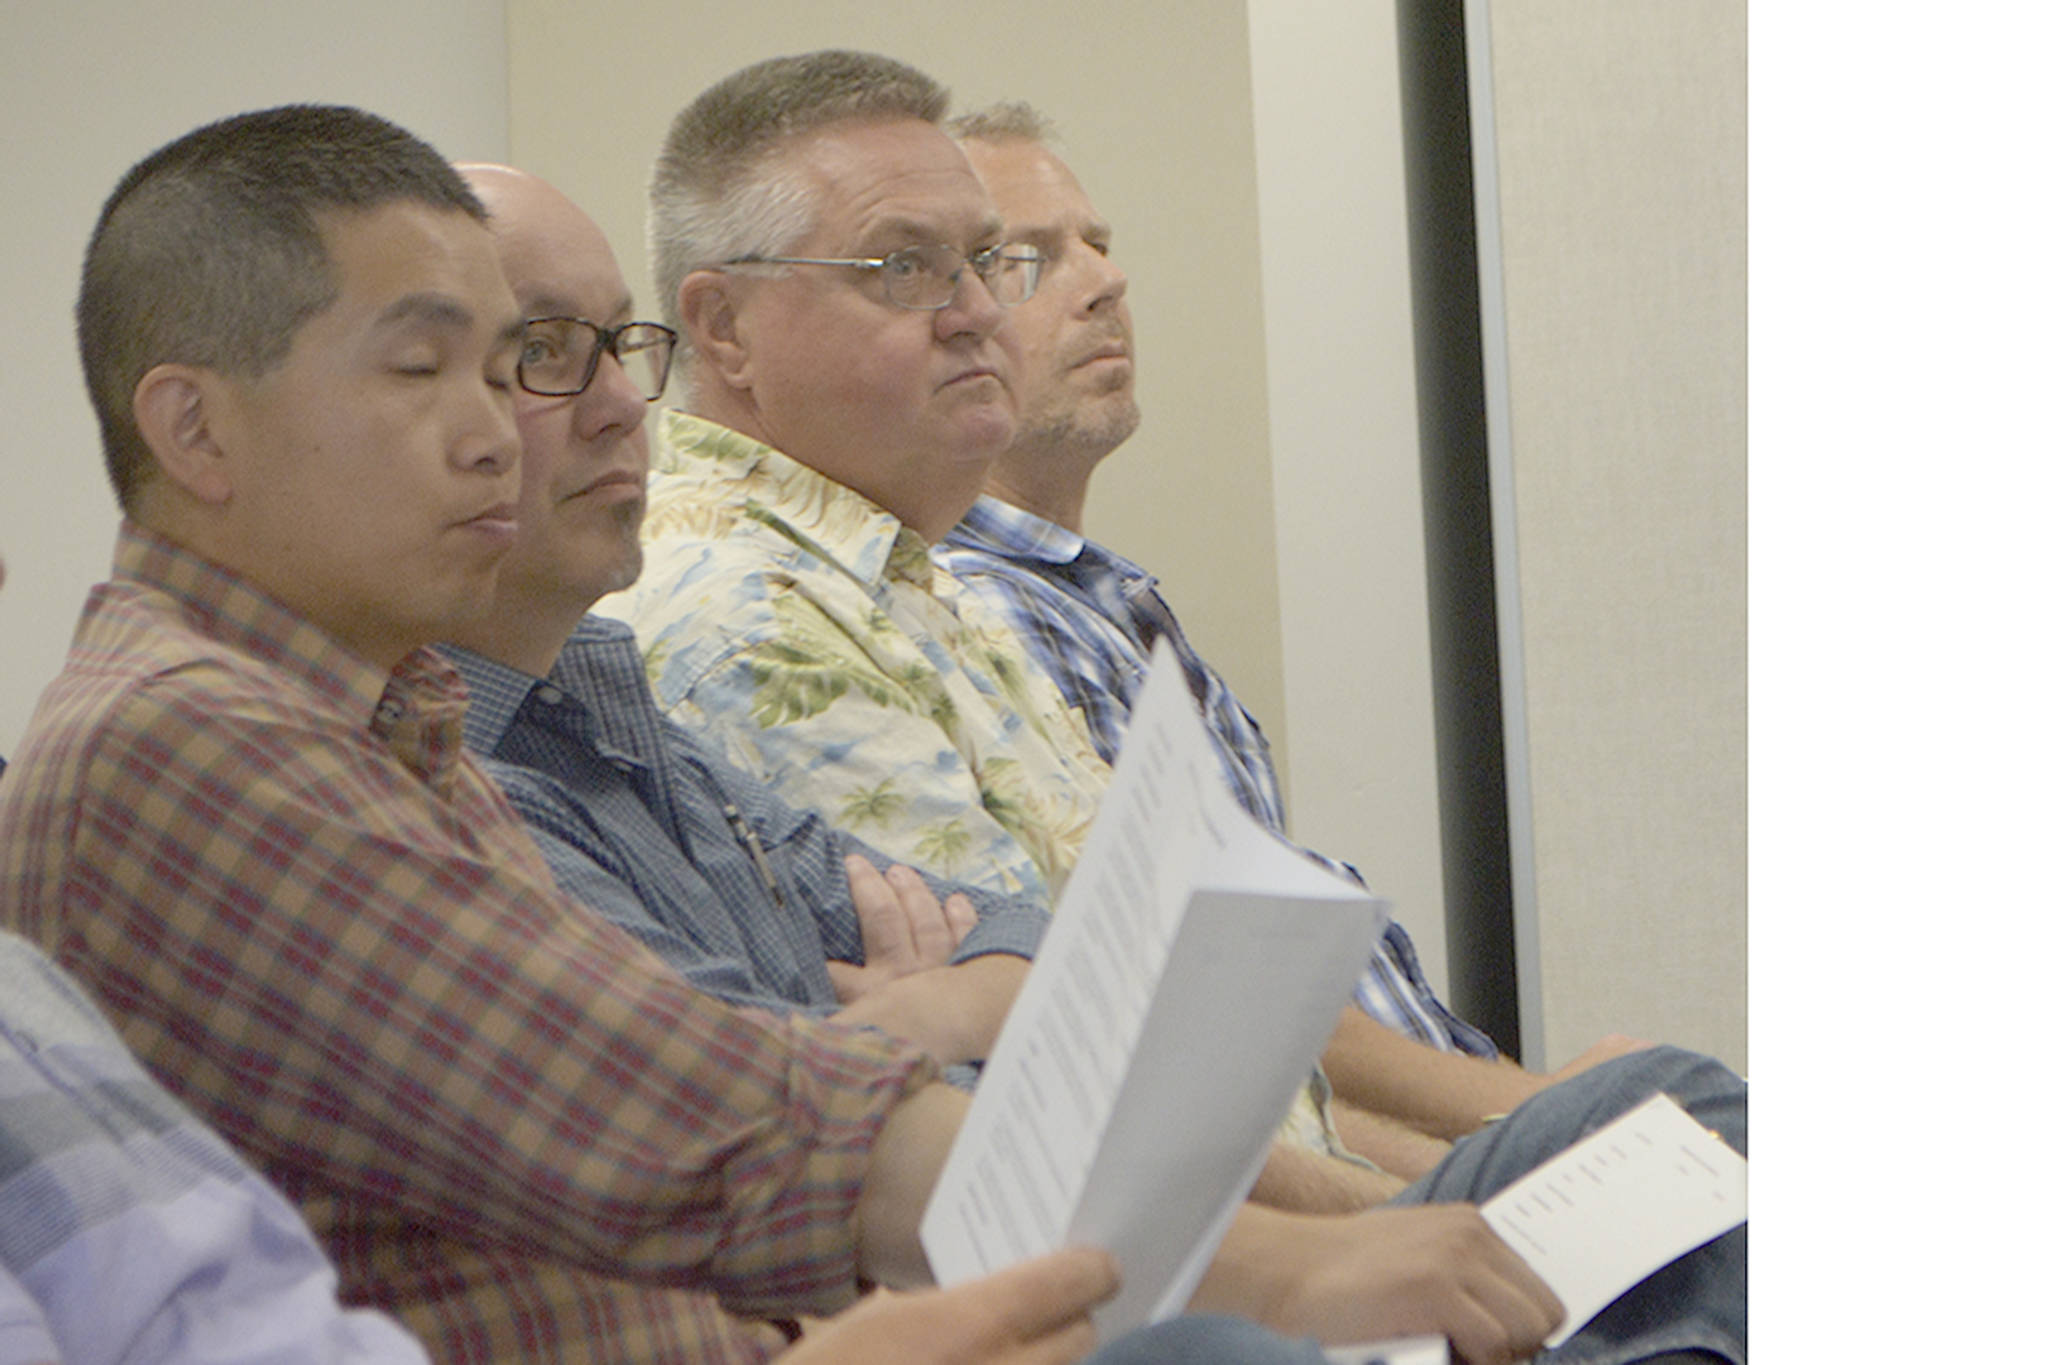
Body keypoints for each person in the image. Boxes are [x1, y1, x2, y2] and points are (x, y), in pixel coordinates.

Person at [0, 97, 1723, 1365]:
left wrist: (947, 1014)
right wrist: (1289, 1264)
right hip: (880, 1304)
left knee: (1669, 1131)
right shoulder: (185, 746)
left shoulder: (396, 717)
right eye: (429, 370)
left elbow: (955, 1006)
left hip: (891, 1295)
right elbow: (707, 1108)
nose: (502, 434)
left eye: (516, 364)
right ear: (196, 431)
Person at [932, 103, 1658, 1164]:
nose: (1104, 281)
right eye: (1031, 259)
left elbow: (1283, 1070)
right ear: (945, 326)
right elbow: (1210, 1010)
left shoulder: (1101, 603)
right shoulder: (983, 612)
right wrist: (1538, 1123)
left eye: (1098, 242)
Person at [440, 161, 1045, 1075]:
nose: (618, 407)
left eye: (617, 345)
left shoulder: (600, 695)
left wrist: (927, 1014)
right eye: (541, 350)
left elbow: (1037, 944)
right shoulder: (450, 784)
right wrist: (931, 1033)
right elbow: (769, 1120)